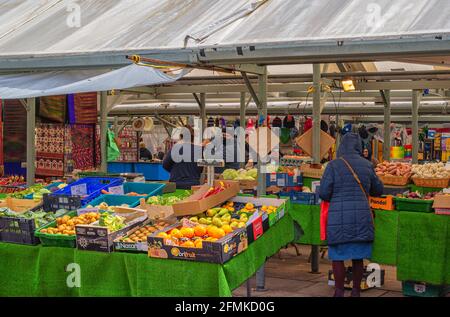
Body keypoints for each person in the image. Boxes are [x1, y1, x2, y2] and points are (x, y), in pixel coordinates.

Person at [319, 133, 384, 297]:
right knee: (358, 256)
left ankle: (339, 291)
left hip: (338, 219)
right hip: (361, 218)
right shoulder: (367, 165)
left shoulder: (332, 166)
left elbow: (324, 193)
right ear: (359, 147)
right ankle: (356, 291)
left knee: (338, 257)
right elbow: (378, 190)